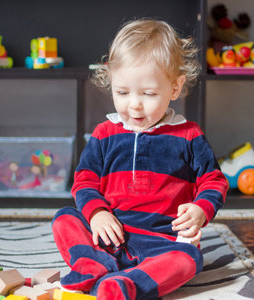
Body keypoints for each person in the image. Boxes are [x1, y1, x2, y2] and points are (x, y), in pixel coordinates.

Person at [52, 18, 228, 300]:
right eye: (122, 92)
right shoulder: (104, 134)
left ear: (174, 87)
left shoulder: (189, 135)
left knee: (190, 259)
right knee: (65, 219)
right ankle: (93, 263)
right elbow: (84, 181)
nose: (133, 104)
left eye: (148, 93)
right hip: (109, 237)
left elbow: (213, 180)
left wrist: (200, 210)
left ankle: (127, 284)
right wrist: (97, 214)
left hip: (162, 242)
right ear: (110, 81)